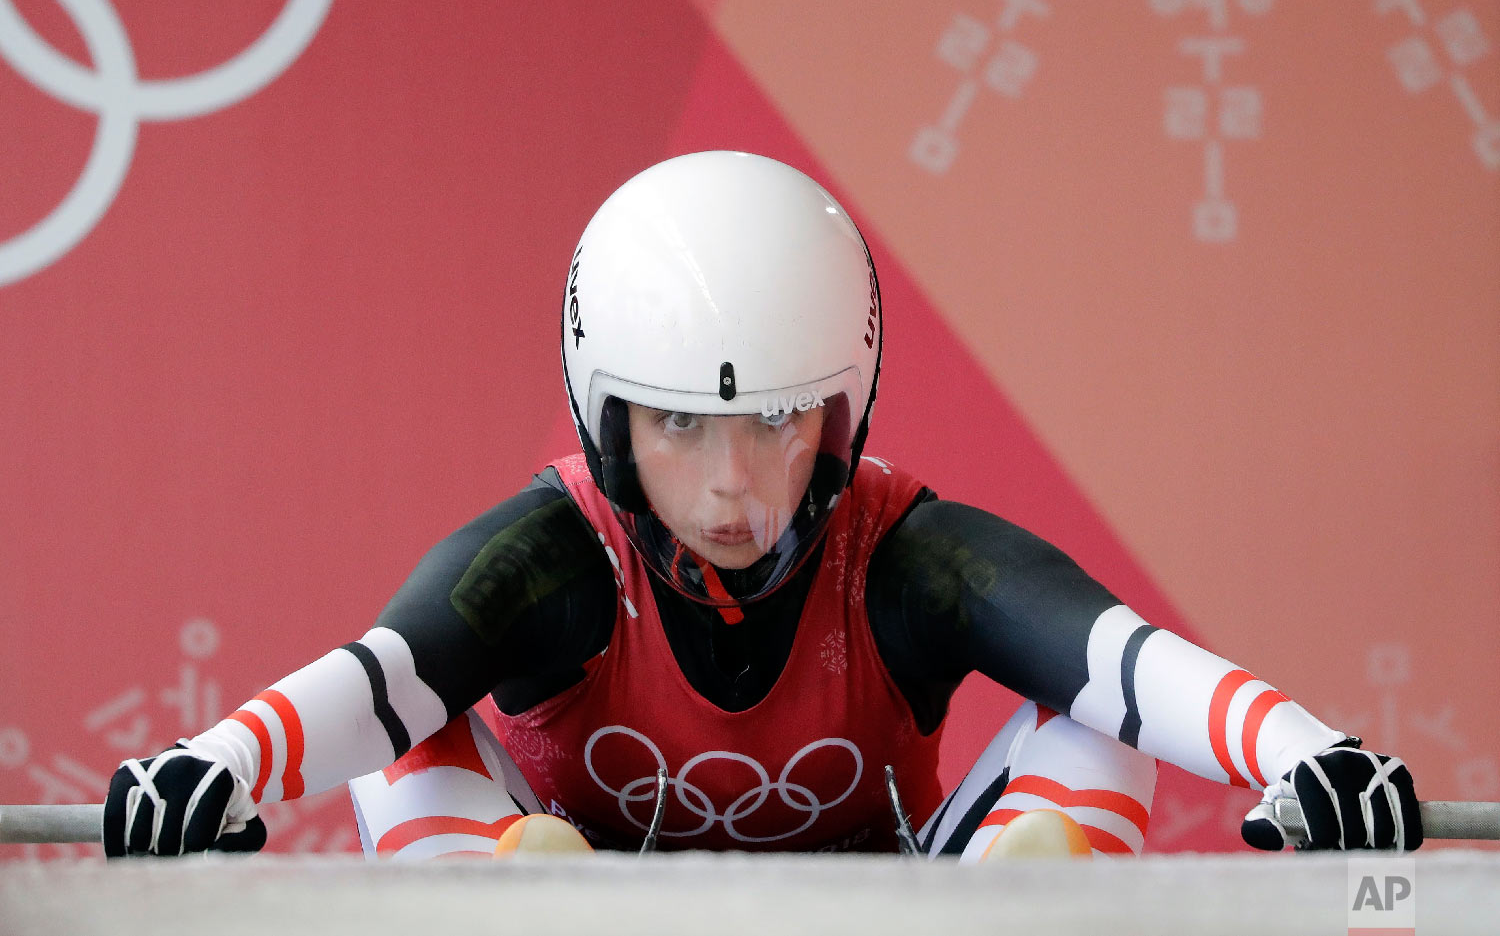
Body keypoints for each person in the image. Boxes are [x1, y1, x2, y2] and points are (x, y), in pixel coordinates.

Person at [103, 151, 1421, 861]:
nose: (731, 483)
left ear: (843, 408)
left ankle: (1022, 914)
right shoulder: (551, 555)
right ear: (605, 416)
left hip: (899, 912)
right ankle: (520, 904)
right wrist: (216, 764)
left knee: (1100, 734)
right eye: (681, 423)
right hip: (558, 877)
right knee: (407, 743)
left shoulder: (908, 559)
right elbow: (382, 677)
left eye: (776, 420)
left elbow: (1122, 665)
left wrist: (1306, 750)